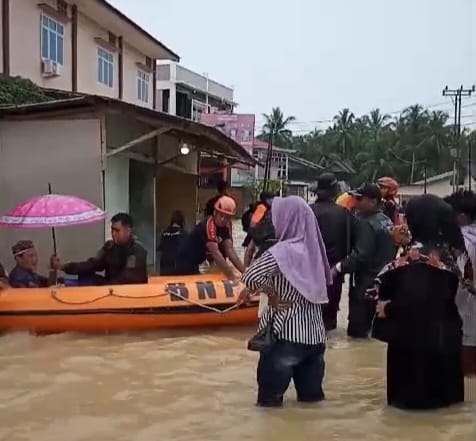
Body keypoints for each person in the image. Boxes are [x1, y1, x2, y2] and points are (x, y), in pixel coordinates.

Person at [371, 194, 465, 410]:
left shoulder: (415, 259)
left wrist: (387, 306)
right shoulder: (449, 253)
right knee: (446, 410)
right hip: (446, 339)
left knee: (412, 413)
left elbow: (414, 300)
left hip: (415, 348)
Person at [239, 196, 332, 407]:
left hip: (284, 336)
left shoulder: (280, 252)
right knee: (311, 405)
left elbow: (250, 277)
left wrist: (270, 292)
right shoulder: (315, 250)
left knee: (269, 407)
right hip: (316, 338)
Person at [310, 173, 370, 331]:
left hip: (307, 277)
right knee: (328, 325)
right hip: (334, 276)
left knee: (307, 323)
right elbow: (361, 246)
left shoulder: (306, 212)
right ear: (335, 190)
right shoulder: (345, 215)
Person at [337, 183, 396, 338]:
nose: (356, 202)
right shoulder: (387, 221)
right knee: (377, 332)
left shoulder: (365, 223)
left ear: (373, 201)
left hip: (364, 284)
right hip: (384, 283)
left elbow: (360, 255)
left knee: (358, 334)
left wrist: (339, 268)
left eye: (360, 198)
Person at [51, 213, 148, 285]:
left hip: (130, 296)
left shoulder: (136, 251)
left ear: (128, 231)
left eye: (117, 230)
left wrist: (101, 285)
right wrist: (64, 266)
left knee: (93, 281)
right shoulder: (109, 247)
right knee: (86, 276)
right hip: (109, 292)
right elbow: (92, 264)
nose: (113, 233)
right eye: (112, 229)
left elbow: (126, 279)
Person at [444, 190, 476, 380]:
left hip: (465, 317)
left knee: (465, 379)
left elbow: (456, 281)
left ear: (461, 216)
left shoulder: (460, 242)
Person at [175, 196, 245, 278]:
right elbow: (216, 254)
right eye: (221, 215)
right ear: (215, 213)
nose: (223, 220)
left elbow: (230, 251)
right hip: (184, 262)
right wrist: (232, 277)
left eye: (227, 217)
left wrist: (246, 272)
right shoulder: (209, 225)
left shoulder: (225, 227)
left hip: (196, 263)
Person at [244, 191, 276, 267]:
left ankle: (247, 268)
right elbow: (253, 222)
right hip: (257, 232)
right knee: (250, 249)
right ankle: (245, 268)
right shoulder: (262, 207)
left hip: (261, 232)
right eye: (271, 199)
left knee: (252, 250)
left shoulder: (268, 208)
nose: (273, 200)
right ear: (267, 199)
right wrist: (254, 233)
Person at [158, 210, 188, 276]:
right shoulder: (184, 233)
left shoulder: (165, 232)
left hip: (165, 265)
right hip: (178, 266)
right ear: (182, 221)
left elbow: (160, 248)